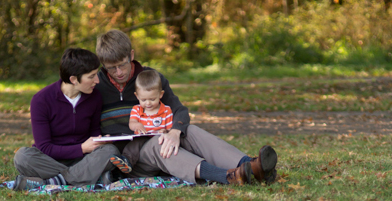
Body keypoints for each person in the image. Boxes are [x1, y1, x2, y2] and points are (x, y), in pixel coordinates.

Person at [95, 30, 277, 186]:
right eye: (112, 68)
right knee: (159, 145)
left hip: (161, 139)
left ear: (131, 56)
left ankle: (252, 166)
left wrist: (175, 132)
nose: (118, 72)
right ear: (103, 65)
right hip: (129, 160)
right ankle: (228, 177)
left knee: (189, 131)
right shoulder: (95, 86)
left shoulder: (150, 78)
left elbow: (179, 110)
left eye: (122, 65)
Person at [12, 48, 122, 190]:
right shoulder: (41, 100)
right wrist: (82, 148)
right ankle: (86, 177)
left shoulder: (95, 97)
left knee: (110, 151)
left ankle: (52, 182)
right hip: (51, 160)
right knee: (22, 156)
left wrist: (99, 141)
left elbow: (94, 131)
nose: (97, 81)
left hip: (83, 159)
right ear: (73, 79)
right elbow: (44, 147)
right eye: (91, 76)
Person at [107, 69, 175, 174]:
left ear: (161, 94)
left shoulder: (166, 110)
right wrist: (137, 125)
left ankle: (167, 168)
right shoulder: (137, 109)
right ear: (137, 96)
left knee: (166, 146)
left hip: (159, 140)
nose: (148, 103)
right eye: (143, 100)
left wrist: (165, 131)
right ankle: (126, 161)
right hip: (142, 139)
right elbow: (132, 123)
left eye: (152, 99)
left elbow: (171, 128)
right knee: (135, 143)